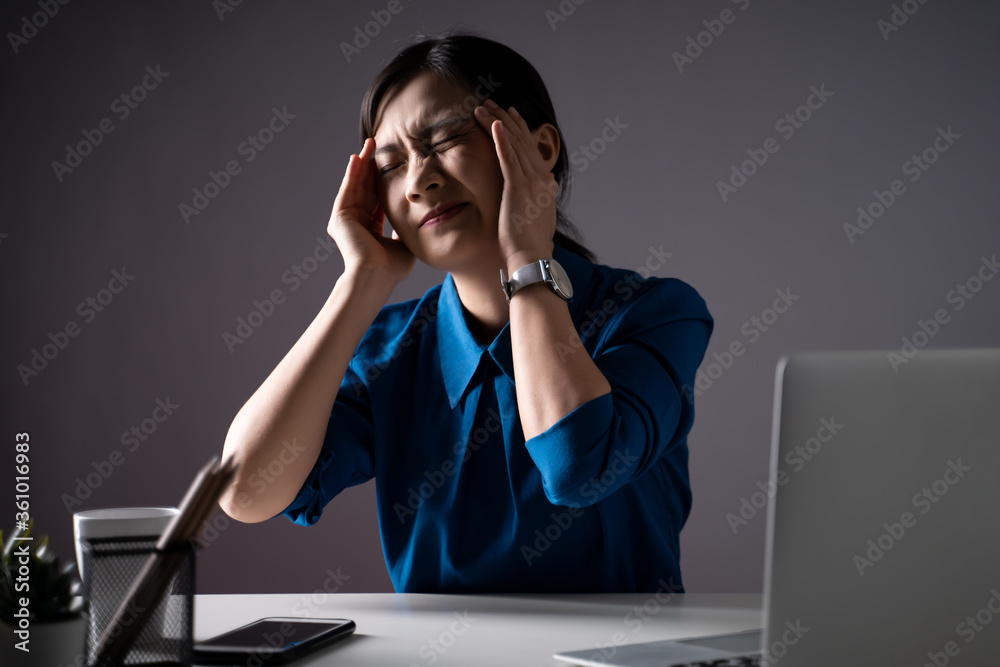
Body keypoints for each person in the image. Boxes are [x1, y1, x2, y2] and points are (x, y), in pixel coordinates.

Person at [219, 32, 713, 593]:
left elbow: (579, 468)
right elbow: (244, 490)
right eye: (389, 166)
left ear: (541, 150)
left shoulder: (655, 314)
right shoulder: (388, 350)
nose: (419, 180)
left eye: (448, 137)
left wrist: (527, 256)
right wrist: (361, 283)